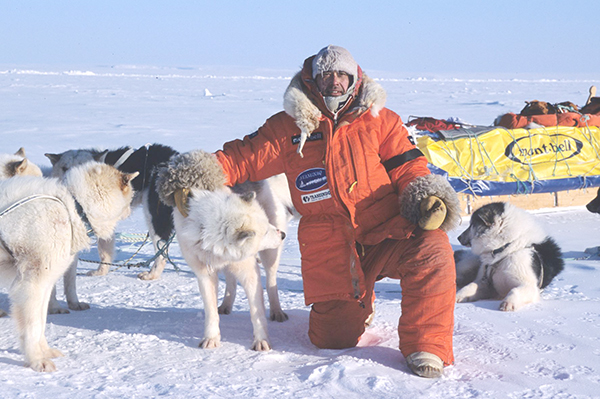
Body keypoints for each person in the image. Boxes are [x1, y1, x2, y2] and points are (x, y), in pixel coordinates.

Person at [214, 45, 461, 378]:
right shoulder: (287, 128)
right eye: (327, 75)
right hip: (332, 249)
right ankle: (361, 301)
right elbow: (240, 157)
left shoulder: (380, 120)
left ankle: (426, 347)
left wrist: (425, 197)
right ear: (313, 80)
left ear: (354, 79)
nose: (334, 82)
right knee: (331, 340)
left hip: (387, 232)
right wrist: (196, 176)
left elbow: (408, 166)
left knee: (433, 249)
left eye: (342, 75)